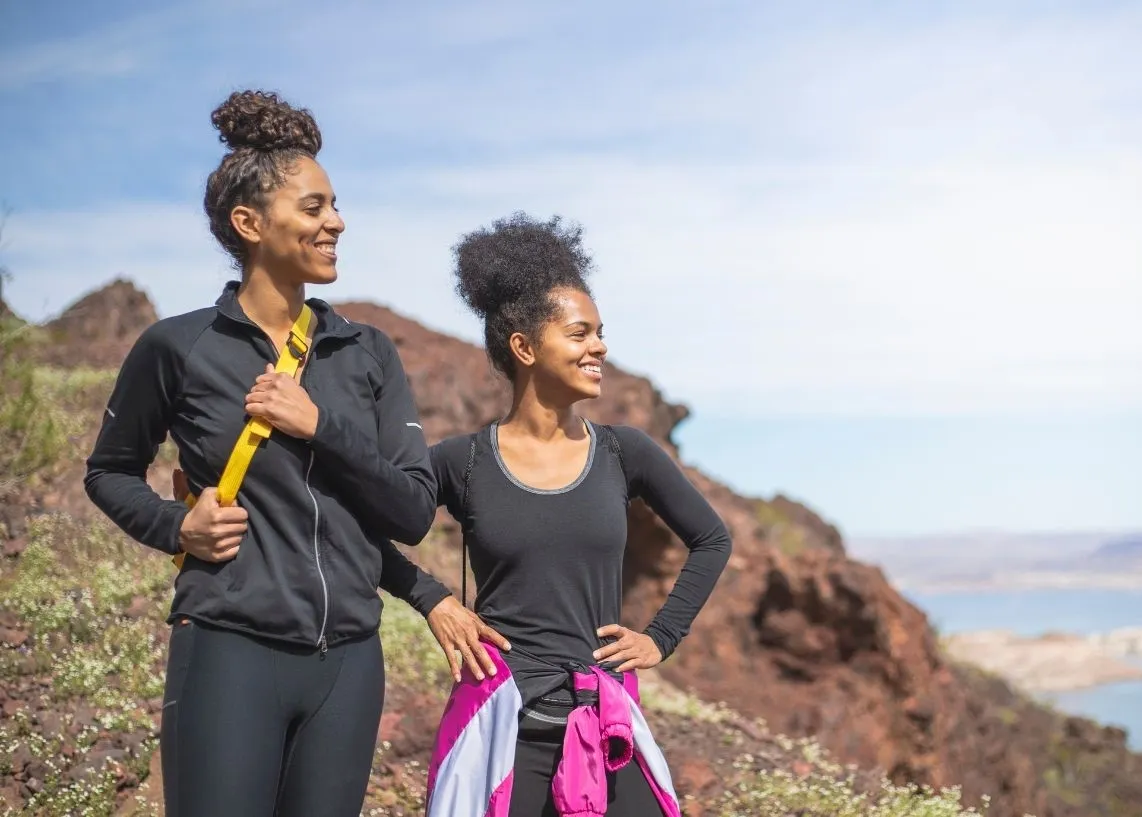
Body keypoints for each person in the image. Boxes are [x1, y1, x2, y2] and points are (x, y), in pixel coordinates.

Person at [83, 89, 454, 817]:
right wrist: (173, 527)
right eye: (313, 208)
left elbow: (411, 509)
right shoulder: (180, 347)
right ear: (249, 223)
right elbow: (109, 471)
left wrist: (321, 425)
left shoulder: (366, 352)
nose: (336, 222)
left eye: (334, 205)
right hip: (228, 647)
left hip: (349, 663)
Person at [421, 213, 733, 817]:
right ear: (526, 347)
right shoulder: (459, 461)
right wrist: (433, 599)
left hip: (602, 722)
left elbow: (711, 539)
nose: (600, 347)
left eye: (600, 332)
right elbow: (364, 528)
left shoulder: (625, 452)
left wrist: (661, 638)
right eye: (581, 333)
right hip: (501, 724)